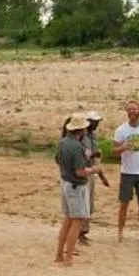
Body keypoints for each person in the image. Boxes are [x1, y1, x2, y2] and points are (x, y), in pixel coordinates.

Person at [54, 112, 98, 266]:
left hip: (66, 183)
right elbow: (80, 171)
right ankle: (69, 257)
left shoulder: (63, 142)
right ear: (82, 130)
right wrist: (94, 170)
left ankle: (60, 253)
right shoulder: (77, 146)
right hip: (76, 186)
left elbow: (57, 160)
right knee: (76, 222)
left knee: (67, 220)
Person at [112, 99, 139, 242]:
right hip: (127, 172)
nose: (131, 112)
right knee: (124, 203)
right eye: (129, 109)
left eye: (134, 109)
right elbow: (114, 151)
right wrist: (123, 147)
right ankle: (120, 231)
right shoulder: (121, 130)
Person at [77, 112, 111, 245]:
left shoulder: (92, 136)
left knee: (89, 204)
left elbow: (95, 160)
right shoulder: (82, 137)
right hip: (83, 171)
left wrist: (102, 176)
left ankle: (84, 231)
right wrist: (93, 155)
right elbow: (82, 155)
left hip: (91, 172)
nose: (97, 124)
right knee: (84, 204)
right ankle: (79, 233)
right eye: (95, 122)